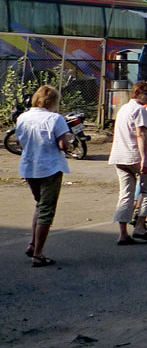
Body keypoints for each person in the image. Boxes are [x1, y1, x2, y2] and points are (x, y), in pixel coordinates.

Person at [15, 85, 72, 266]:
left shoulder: (23, 117)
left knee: (40, 205)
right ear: (52, 101)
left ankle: (33, 244)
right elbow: (63, 145)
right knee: (46, 210)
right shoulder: (55, 118)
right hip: (50, 167)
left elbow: (19, 142)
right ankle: (38, 254)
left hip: (29, 166)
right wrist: (68, 141)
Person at [108, 81, 147, 245]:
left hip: (120, 156)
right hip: (135, 155)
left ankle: (123, 233)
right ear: (137, 94)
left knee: (125, 194)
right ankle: (140, 226)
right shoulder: (139, 110)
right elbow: (140, 135)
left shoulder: (123, 109)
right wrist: (144, 159)